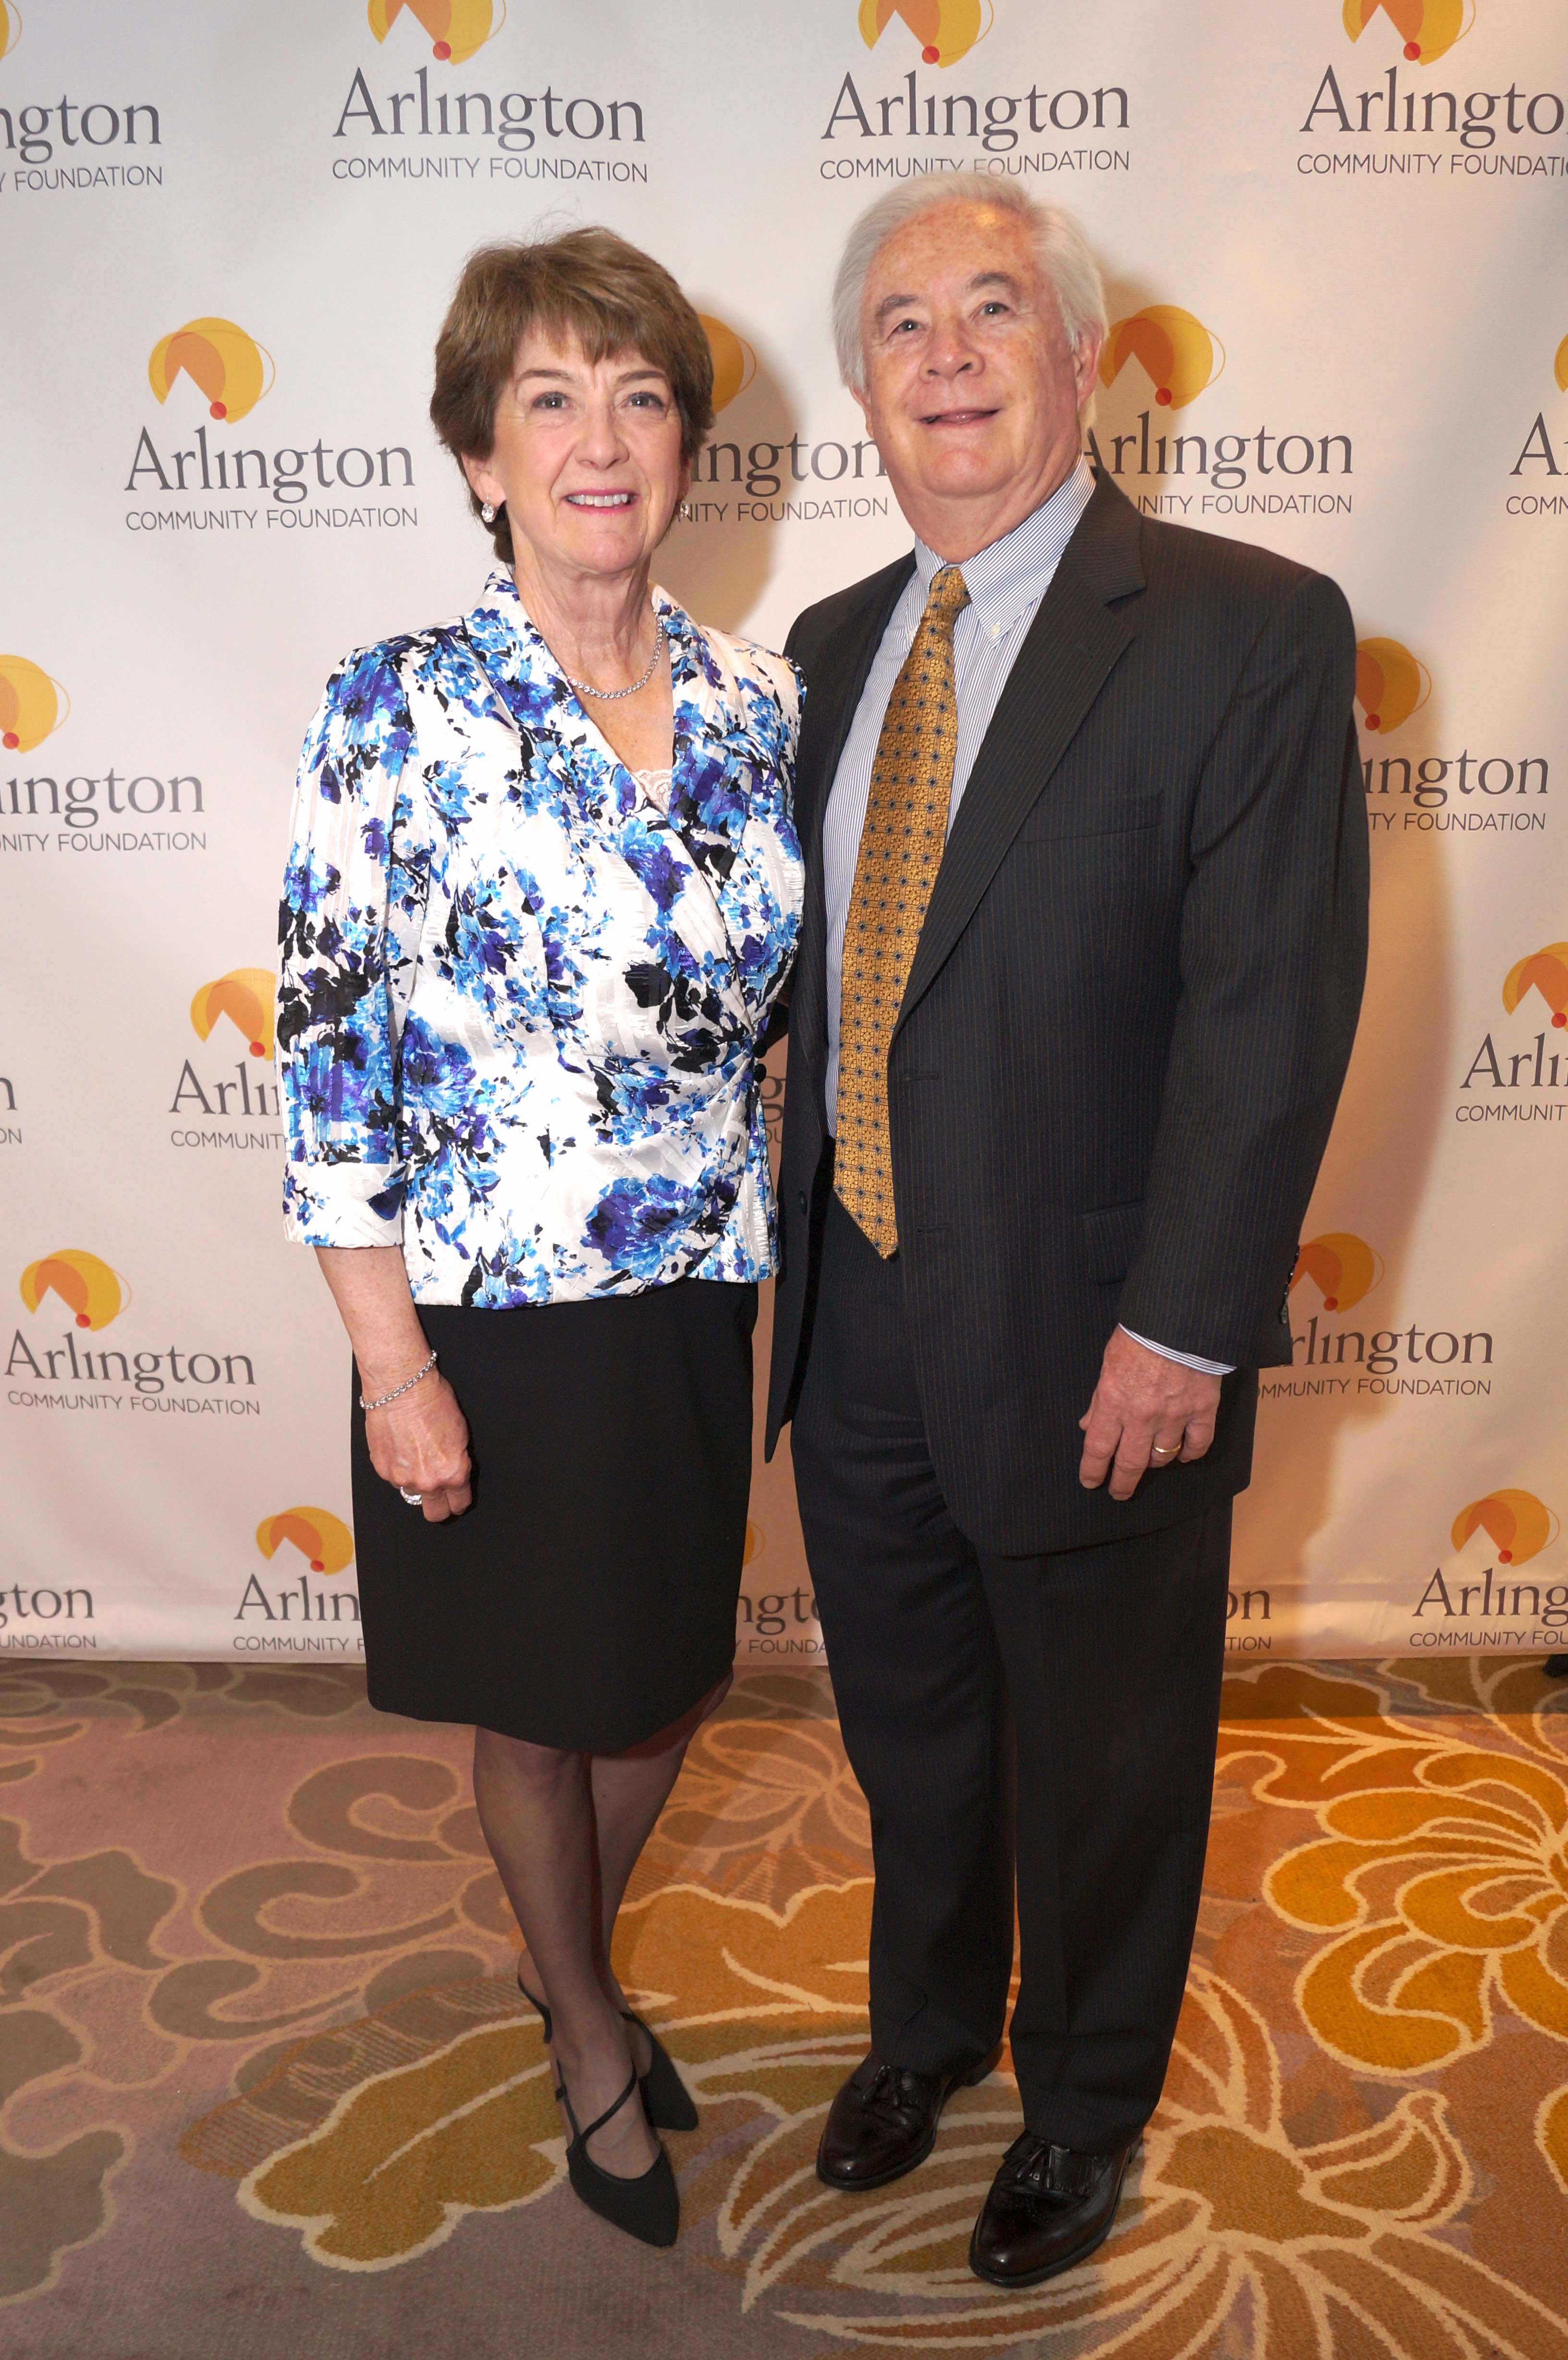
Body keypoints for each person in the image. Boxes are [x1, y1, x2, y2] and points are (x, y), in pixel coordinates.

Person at [767, 180, 1367, 2289]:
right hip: (855, 1312)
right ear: (862, 390)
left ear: (1083, 361)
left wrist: (1186, 1325)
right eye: (901, 323)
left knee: (1109, 1758)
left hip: (1100, 1328)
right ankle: (926, 2027)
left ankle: (1084, 2103)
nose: (945, 356)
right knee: (914, 1725)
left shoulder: (1246, 627)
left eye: (992, 309)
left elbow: (1270, 1010)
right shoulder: (826, 650)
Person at [277, 229, 803, 2252]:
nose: (602, 440)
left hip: (698, 1284)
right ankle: (583, 2014)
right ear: (482, 456)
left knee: (661, 1686)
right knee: (536, 1701)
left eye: (641, 396)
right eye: (552, 399)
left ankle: (556, 1949)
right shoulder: (393, 707)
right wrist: (389, 1365)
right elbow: (331, 1065)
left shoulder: (763, 702)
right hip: (487, 1312)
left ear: (684, 448)